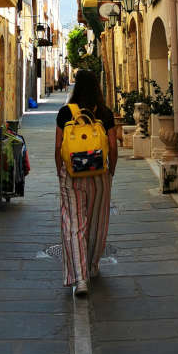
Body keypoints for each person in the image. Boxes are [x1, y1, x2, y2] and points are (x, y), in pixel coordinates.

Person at [54, 69, 118, 296]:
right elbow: (112, 145)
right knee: (97, 223)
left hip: (72, 175)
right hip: (99, 174)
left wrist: (61, 172)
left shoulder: (65, 113)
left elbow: (58, 146)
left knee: (74, 224)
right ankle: (92, 265)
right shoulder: (104, 112)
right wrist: (111, 171)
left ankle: (80, 279)